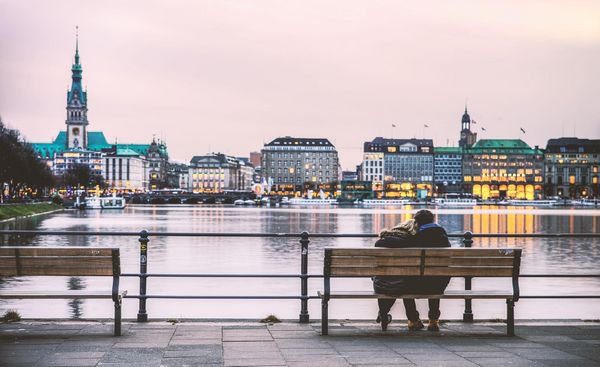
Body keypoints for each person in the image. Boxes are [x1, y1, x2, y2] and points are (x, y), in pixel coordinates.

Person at [372, 209, 451, 332]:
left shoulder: (415, 238)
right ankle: (433, 321)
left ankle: (413, 320)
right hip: (439, 284)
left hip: (414, 284)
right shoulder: (443, 236)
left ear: (416, 222)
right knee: (435, 275)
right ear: (433, 220)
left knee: (407, 277)